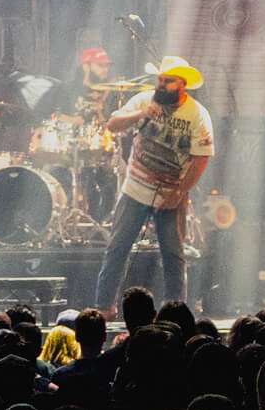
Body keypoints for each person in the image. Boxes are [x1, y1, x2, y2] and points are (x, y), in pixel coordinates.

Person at [90, 56, 214, 309]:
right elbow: (112, 125)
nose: (161, 85)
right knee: (117, 249)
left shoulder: (197, 114)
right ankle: (104, 307)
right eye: (159, 79)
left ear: (182, 85)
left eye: (167, 81)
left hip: (170, 195)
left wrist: (178, 193)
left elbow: (201, 159)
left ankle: (175, 309)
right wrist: (141, 113)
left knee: (173, 255)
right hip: (135, 188)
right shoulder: (144, 99)